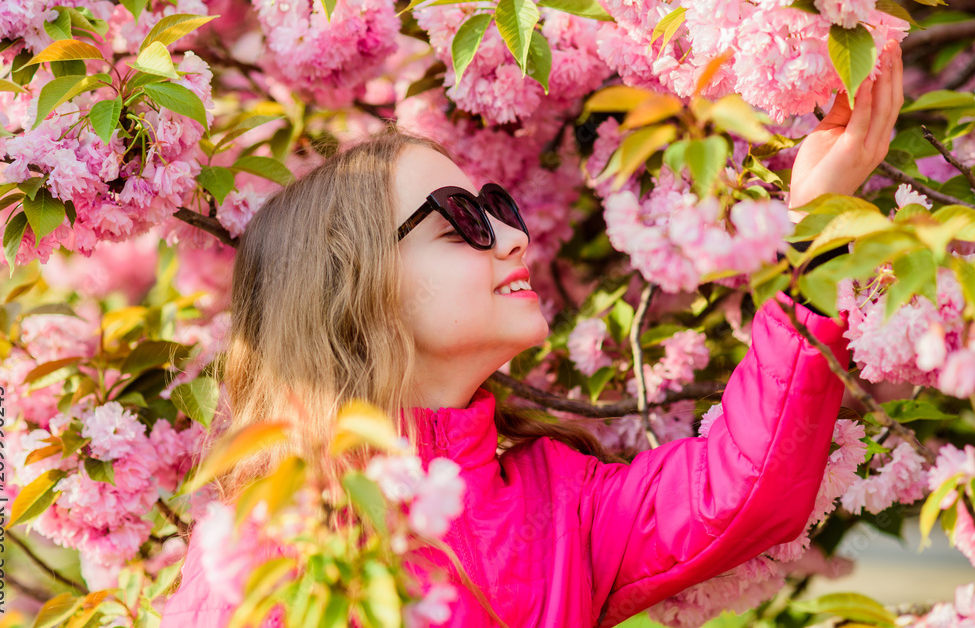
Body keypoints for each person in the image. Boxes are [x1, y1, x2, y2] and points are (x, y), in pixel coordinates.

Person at [160, 42, 903, 628]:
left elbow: (739, 488)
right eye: (461, 218)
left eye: (499, 205)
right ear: (352, 289)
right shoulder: (271, 542)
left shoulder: (560, 504)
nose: (512, 238)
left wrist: (810, 228)